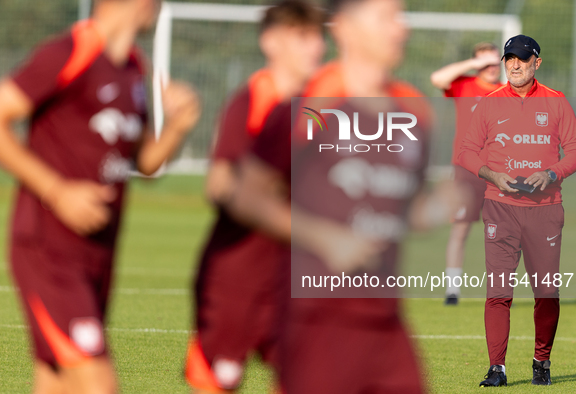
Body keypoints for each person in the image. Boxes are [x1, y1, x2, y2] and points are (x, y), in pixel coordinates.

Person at [228, 0, 464, 392]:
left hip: (385, 319)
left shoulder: (416, 110)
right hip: (316, 318)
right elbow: (246, 196)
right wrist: (325, 237)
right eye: (386, 17)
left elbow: (404, 211)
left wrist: (444, 204)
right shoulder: (314, 101)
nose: (399, 28)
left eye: (401, 17)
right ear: (345, 29)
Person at [0, 0, 200, 392]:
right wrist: (57, 192)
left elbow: (144, 162)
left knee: (56, 382)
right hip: (48, 250)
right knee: (98, 384)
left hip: (96, 253)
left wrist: (177, 127)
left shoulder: (133, 68)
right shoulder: (71, 51)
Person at [184, 1, 325, 392]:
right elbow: (218, 184)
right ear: (271, 42)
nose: (315, 47)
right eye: (302, 36)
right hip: (236, 280)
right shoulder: (253, 101)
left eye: (317, 36)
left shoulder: (317, 106)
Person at [458, 34, 576, 387]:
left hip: (545, 210)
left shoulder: (557, 103)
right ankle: (496, 368)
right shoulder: (488, 103)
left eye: (522, 58)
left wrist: (551, 173)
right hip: (500, 208)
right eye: (509, 58)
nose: (514, 65)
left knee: (546, 292)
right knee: (499, 291)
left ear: (536, 62)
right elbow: (466, 152)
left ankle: (541, 361)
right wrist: (491, 173)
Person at [431, 42, 503, 305]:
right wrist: (473, 64)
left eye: (496, 62)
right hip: (466, 169)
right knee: (460, 229)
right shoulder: (465, 85)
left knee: (502, 233)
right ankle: (452, 290)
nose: (492, 68)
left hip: (499, 172)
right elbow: (437, 78)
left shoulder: (507, 91)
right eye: (486, 63)